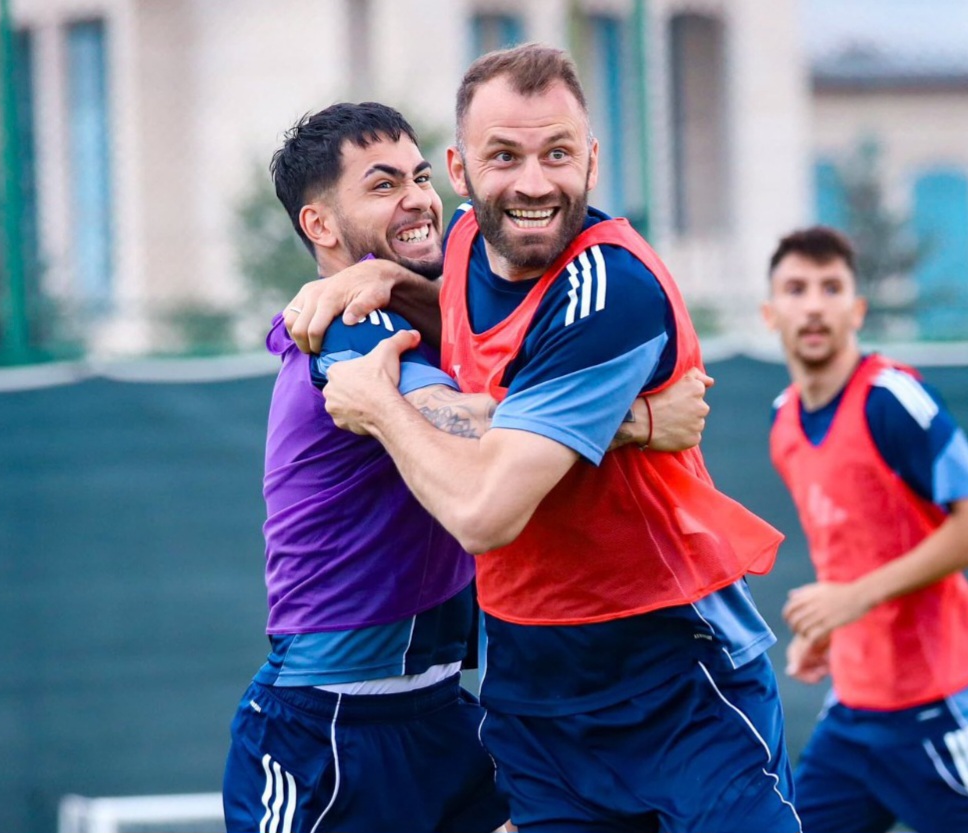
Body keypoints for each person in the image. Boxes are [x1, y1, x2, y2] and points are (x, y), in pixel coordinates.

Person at [286, 44, 801, 833]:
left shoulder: (609, 290)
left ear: (591, 161)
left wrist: (381, 406)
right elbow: (471, 334)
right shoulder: (463, 244)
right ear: (460, 171)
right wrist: (388, 279)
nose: (533, 183)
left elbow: (486, 509)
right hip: (532, 691)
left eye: (556, 153)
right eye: (504, 156)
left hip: (674, 679)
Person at [223, 101, 710, 833]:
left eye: (421, 177)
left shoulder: (436, 315)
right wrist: (636, 421)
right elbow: (486, 443)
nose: (419, 199)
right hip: (327, 731)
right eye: (383, 185)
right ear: (320, 225)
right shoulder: (353, 330)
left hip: (442, 715)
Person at [763, 225, 968, 833]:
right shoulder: (783, 421)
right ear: (771, 314)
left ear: (857, 310)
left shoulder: (892, 399)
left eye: (831, 288)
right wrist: (830, 625)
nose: (814, 305)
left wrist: (854, 598)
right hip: (854, 711)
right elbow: (854, 548)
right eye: (796, 289)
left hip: (940, 705)